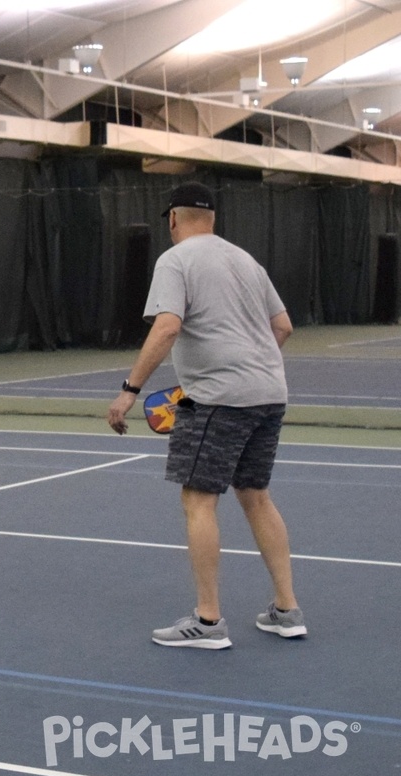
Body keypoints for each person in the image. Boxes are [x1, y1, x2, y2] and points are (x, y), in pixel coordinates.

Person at [107, 182, 305, 650]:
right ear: (212, 219)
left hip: (218, 399)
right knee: (256, 496)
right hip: (269, 394)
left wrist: (129, 391)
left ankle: (209, 621)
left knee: (199, 501)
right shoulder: (246, 261)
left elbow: (168, 326)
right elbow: (284, 327)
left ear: (173, 219)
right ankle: (286, 610)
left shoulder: (174, 261)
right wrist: (245, 365)